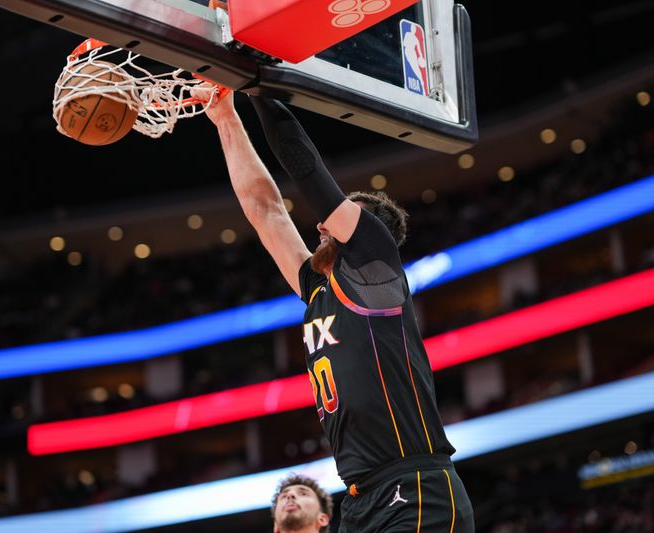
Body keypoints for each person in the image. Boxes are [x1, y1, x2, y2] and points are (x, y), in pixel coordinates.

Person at [197, 87, 474, 532]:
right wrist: (226, 118)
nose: (322, 223)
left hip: (415, 485)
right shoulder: (317, 287)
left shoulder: (375, 267)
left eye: (340, 217)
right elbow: (264, 209)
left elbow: (308, 172)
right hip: (360, 499)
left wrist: (256, 89)